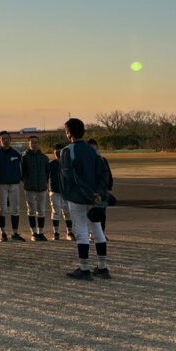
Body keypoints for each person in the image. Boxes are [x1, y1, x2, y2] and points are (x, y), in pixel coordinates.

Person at [61, 119, 111, 279]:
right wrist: (99, 193)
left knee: (81, 231)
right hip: (95, 198)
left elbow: (71, 176)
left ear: (69, 132)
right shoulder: (93, 151)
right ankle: (102, 267)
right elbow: (104, 174)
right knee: (97, 229)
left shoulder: (68, 151)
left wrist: (89, 192)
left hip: (77, 196)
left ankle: (84, 269)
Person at [0, 131, 25, 241]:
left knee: (15, 209)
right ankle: (3, 232)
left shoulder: (16, 153)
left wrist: (20, 178)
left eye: (7, 138)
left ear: (10, 140)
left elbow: (22, 168)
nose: (5, 140)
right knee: (2, 209)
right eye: (3, 139)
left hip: (14, 184)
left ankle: (15, 233)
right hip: (1, 185)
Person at [22, 135, 50, 241]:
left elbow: (47, 172)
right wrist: (27, 182)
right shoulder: (25, 158)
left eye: (36, 142)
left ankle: (41, 232)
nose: (34, 144)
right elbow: (22, 172)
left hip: (42, 188)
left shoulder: (44, 157)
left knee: (41, 210)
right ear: (29, 144)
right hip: (30, 188)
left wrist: (44, 182)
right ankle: (33, 232)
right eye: (32, 142)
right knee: (31, 211)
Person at [89, 139, 114, 236]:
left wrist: (108, 186)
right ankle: (91, 234)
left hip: (102, 191)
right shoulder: (86, 161)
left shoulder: (102, 159)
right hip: (91, 191)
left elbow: (108, 174)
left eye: (94, 148)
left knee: (102, 214)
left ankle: (101, 233)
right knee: (91, 213)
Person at [48, 146, 73, 241]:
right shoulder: (51, 164)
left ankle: (69, 232)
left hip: (66, 191)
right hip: (54, 191)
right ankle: (56, 232)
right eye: (56, 151)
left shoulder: (68, 164)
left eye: (59, 151)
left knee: (67, 212)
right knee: (56, 211)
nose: (58, 153)